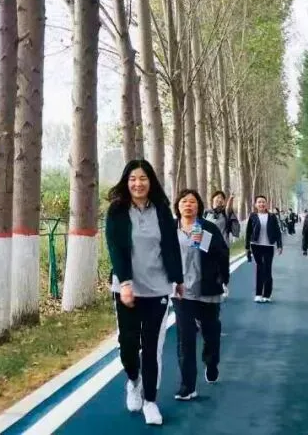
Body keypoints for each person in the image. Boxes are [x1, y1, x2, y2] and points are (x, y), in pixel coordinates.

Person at [105, 159, 184, 426]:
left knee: (152, 348)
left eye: (143, 178)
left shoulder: (161, 210)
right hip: (126, 289)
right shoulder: (117, 210)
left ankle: (150, 400)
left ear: (151, 182)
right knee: (128, 345)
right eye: (132, 179)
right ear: (126, 182)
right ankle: (133, 380)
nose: (138, 184)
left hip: (157, 289)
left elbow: (171, 246)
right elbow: (115, 248)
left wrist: (178, 279)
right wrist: (126, 283)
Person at [172, 188, 230, 401]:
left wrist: (224, 279)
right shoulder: (171, 228)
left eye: (192, 202)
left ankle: (211, 362)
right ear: (177, 206)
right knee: (185, 338)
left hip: (207, 290)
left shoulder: (207, 227)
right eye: (184, 202)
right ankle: (187, 386)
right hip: (181, 292)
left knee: (210, 333)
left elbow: (221, 254)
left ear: (199, 206)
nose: (188, 205)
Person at [245, 195, 283, 303]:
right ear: (256, 204)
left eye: (263, 202)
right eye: (259, 202)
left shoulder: (272, 216)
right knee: (259, 268)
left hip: (268, 246)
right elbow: (248, 232)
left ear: (266, 204)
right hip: (256, 245)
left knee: (267, 269)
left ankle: (267, 294)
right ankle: (258, 294)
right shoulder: (253, 216)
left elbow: (277, 231)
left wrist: (279, 245)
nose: (261, 204)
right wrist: (247, 247)